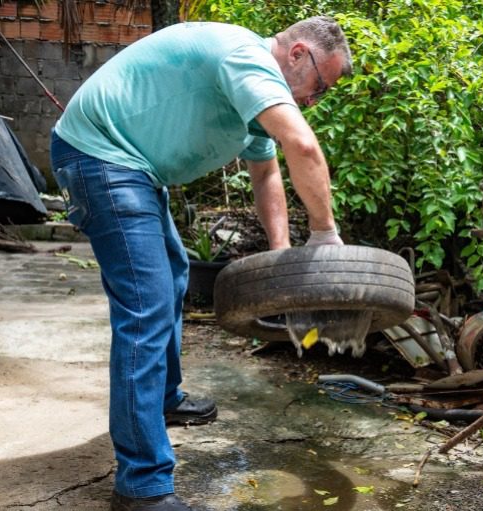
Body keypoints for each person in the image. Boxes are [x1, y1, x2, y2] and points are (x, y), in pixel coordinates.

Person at [49, 16, 352, 511]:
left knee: (173, 277)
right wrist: (324, 234)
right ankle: (141, 486)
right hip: (101, 156)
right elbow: (301, 144)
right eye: (320, 84)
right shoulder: (246, 58)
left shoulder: (251, 99)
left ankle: (163, 399)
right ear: (298, 54)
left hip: (132, 168)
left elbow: (266, 174)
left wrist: (278, 264)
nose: (316, 99)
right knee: (145, 309)